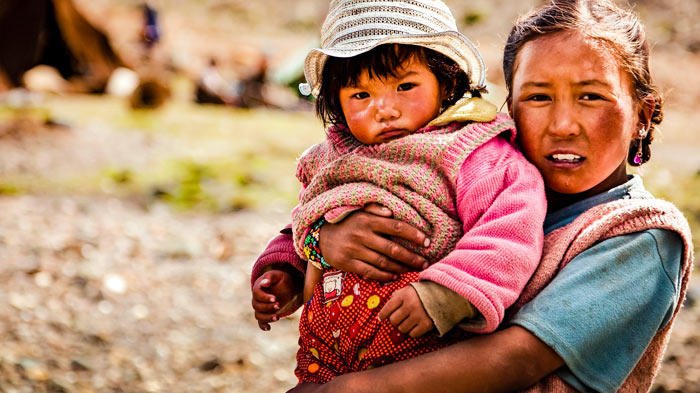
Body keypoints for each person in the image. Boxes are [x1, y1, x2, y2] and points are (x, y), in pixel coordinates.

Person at [252, 0, 695, 391]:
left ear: (643, 113)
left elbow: (516, 360)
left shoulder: (642, 238)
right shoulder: (458, 180)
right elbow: (317, 204)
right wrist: (317, 244)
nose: (562, 125)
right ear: (509, 109)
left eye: (591, 97)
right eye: (538, 96)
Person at [253, 0, 548, 387]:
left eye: (405, 86)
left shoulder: (471, 150)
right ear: (335, 101)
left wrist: (445, 296)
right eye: (360, 95)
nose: (384, 109)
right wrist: (283, 269)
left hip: (422, 356)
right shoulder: (329, 159)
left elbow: (510, 227)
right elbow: (305, 216)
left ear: (447, 80)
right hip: (327, 356)